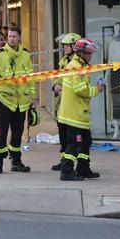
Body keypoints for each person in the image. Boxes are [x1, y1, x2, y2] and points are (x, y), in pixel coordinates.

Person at [0, 26, 35, 174]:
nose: (11, 38)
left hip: (22, 101)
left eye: (14, 36)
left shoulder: (26, 54)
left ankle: (16, 161)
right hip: (5, 99)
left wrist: (32, 96)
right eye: (9, 36)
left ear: (20, 38)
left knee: (17, 132)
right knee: (2, 131)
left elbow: (31, 78)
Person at [57, 37, 106, 181]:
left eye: (91, 53)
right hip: (73, 115)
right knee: (73, 144)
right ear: (80, 53)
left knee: (85, 143)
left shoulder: (82, 66)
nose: (90, 56)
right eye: (88, 53)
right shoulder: (75, 67)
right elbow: (80, 90)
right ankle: (66, 171)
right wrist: (97, 89)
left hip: (80, 114)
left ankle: (83, 168)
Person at [50, 33, 81, 171]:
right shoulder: (63, 61)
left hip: (72, 105)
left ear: (75, 46)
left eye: (67, 45)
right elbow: (56, 77)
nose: (65, 48)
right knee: (62, 134)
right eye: (64, 46)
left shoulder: (78, 63)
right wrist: (55, 85)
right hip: (61, 102)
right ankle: (64, 159)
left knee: (72, 136)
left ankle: (75, 163)